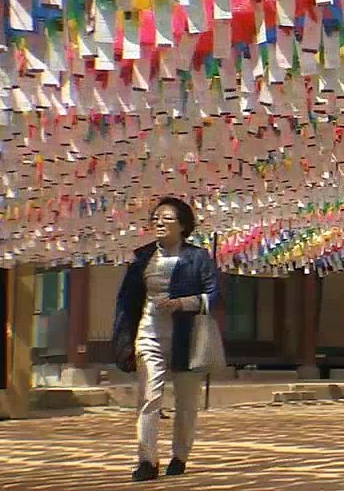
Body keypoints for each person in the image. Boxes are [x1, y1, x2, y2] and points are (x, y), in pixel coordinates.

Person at [112, 197, 222, 482]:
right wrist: (124, 337)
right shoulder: (142, 257)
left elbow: (214, 294)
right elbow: (127, 300)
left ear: (183, 225)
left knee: (186, 403)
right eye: (156, 218)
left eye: (167, 218)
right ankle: (147, 460)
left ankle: (180, 455)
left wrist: (182, 303)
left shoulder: (198, 257)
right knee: (149, 397)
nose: (159, 223)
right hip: (149, 334)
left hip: (188, 337)